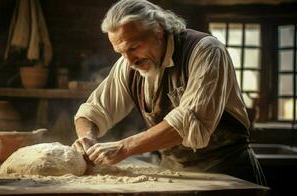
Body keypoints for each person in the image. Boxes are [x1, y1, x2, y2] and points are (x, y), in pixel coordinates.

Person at [72, 0, 266, 185]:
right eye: (121, 52)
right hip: (174, 172)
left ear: (158, 30)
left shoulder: (205, 51)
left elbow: (186, 123)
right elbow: (92, 110)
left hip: (227, 173)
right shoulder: (129, 65)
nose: (130, 61)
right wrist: (87, 139)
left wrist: (124, 147)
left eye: (134, 47)